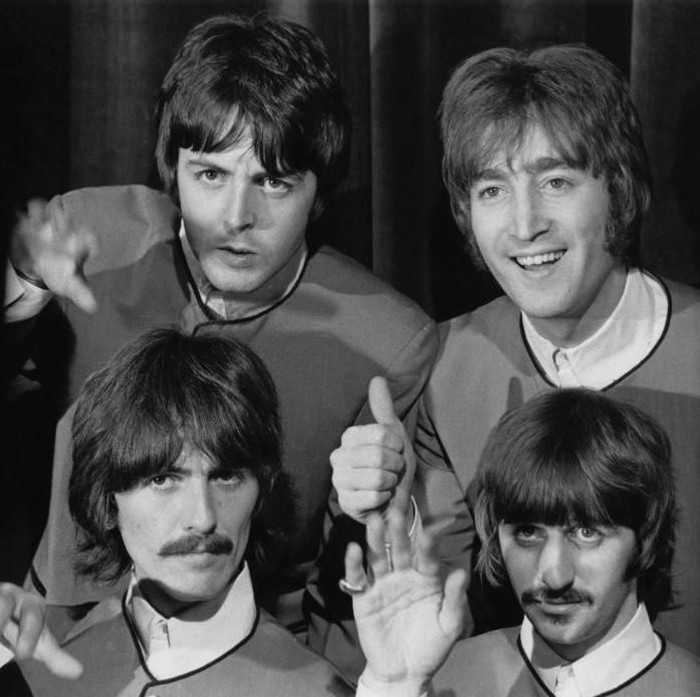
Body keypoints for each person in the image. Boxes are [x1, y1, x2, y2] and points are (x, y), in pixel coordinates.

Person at [4, 13, 435, 677]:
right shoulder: (89, 240)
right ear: (170, 171)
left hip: (253, 659)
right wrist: (22, 290)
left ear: (320, 190)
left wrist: (367, 511)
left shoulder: (388, 341)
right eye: (210, 176)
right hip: (54, 640)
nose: (238, 217)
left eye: (274, 181)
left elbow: (358, 595)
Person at [331, 44, 700, 653]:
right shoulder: (447, 368)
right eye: (493, 191)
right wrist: (387, 511)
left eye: (556, 181)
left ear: (619, 189)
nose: (525, 224)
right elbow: (451, 616)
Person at [0, 328, 354, 696]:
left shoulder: (323, 689)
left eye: (226, 476)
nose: (203, 518)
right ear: (107, 502)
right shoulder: (29, 676)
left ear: (261, 492)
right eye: (163, 479)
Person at [347, 390, 700, 697]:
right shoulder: (431, 678)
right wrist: (393, 686)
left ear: (645, 536)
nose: (554, 575)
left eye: (587, 532)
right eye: (528, 533)